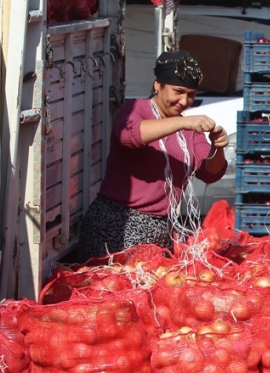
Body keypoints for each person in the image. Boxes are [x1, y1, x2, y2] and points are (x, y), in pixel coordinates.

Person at [78, 50, 228, 262]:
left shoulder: (190, 129)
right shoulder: (136, 108)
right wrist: (183, 122)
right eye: (178, 91)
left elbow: (209, 173)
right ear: (158, 85)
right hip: (117, 224)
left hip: (160, 229)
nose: (184, 101)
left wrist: (218, 147)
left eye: (191, 94)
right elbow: (128, 136)